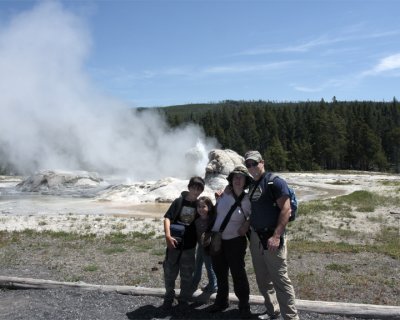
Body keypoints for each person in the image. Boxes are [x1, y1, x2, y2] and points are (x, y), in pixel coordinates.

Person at [244, 150, 300, 320]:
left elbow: (286, 209)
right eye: (249, 165)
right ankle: (273, 310)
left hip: (272, 237)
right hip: (255, 237)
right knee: (262, 279)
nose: (252, 167)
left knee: (280, 280)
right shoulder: (253, 184)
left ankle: (291, 317)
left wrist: (276, 236)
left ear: (263, 162)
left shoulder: (274, 182)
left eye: (255, 163)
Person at [208, 165, 253, 319]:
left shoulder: (247, 200)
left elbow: (252, 216)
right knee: (220, 273)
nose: (238, 180)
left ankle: (244, 305)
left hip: (235, 241)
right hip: (217, 240)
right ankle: (221, 301)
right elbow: (216, 212)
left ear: (246, 181)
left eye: (241, 178)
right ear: (231, 180)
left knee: (238, 274)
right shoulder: (224, 194)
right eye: (235, 177)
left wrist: (246, 224)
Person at [162, 176, 205, 311]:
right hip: (174, 244)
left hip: (189, 247)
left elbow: (209, 214)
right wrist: (168, 236)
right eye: (194, 187)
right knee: (170, 273)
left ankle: (183, 300)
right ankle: (169, 297)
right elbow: (167, 218)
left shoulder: (199, 205)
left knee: (187, 275)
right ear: (189, 187)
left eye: (199, 188)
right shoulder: (178, 202)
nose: (196, 190)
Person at [191, 196, 218, 294]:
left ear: (209, 208)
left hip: (208, 248)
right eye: (199, 207)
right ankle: (194, 283)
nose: (201, 209)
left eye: (204, 206)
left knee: (209, 266)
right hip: (200, 246)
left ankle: (213, 285)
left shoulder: (212, 219)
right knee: (197, 265)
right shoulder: (197, 219)